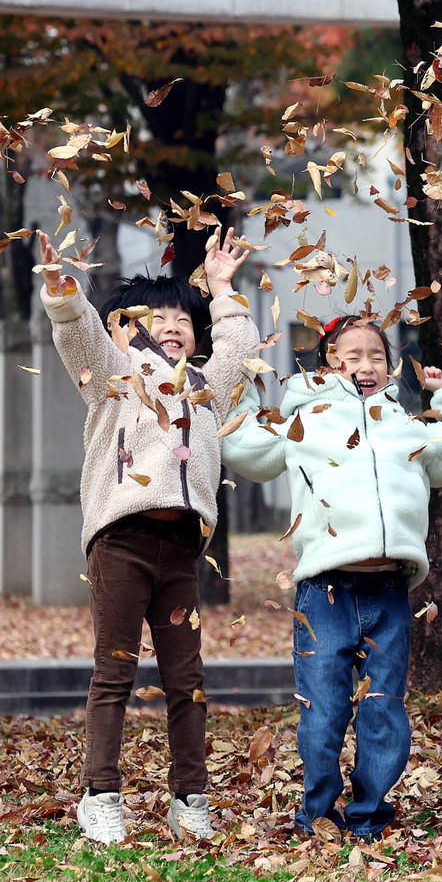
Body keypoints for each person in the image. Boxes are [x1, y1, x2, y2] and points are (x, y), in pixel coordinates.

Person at [221, 315, 442, 841]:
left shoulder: (405, 426)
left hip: (389, 591)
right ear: (327, 364)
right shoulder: (305, 420)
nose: (365, 364)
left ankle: (369, 814)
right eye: (351, 354)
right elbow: (243, 448)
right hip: (325, 591)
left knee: (383, 711)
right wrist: (244, 395)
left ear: (389, 369)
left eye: (376, 356)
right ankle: (318, 813)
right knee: (322, 713)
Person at [36, 227, 260, 844]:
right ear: (125, 329)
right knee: (115, 670)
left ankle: (190, 798)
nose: (171, 325)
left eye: (183, 318)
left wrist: (220, 289)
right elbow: (79, 335)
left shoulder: (203, 389)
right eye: (154, 316)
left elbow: (238, 356)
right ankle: (99, 794)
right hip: (121, 543)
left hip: (181, 552)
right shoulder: (114, 375)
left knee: (187, 681)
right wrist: (63, 294)